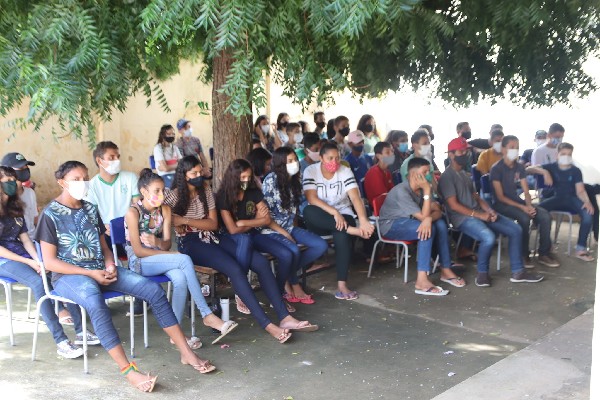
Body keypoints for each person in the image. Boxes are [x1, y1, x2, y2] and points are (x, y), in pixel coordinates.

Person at [35, 161, 216, 392]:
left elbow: (104, 247)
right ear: (62, 182)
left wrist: (110, 264)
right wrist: (90, 273)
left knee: (153, 290)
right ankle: (129, 370)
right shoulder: (50, 214)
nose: (83, 183)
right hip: (69, 277)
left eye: (85, 178)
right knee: (95, 302)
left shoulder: (90, 208)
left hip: (101, 269)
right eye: (76, 179)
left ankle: (186, 353)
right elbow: (50, 262)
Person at [166, 156, 311, 342]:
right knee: (234, 269)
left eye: (200, 172)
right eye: (194, 173)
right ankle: (268, 325)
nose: (199, 176)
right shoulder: (174, 196)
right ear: (183, 175)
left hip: (213, 236)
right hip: (191, 243)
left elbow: (212, 224)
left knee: (260, 262)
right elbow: (159, 210)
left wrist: (184, 220)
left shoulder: (205, 189)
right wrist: (174, 221)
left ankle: (285, 317)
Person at [125, 168, 237, 347]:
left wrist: (157, 241)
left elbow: (166, 244)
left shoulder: (165, 210)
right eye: (156, 191)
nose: (161, 195)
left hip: (160, 258)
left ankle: (175, 335)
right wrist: (170, 254)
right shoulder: (133, 213)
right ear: (143, 192)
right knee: (183, 260)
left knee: (180, 277)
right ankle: (207, 315)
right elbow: (138, 251)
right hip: (140, 262)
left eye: (163, 190)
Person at [0, 166, 97, 358]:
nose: (14, 184)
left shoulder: (15, 206)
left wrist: (39, 260)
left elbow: (26, 239)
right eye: (8, 181)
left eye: (14, 180)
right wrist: (29, 262)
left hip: (21, 252)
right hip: (4, 259)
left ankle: (80, 331)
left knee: (59, 271)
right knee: (39, 283)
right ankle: (61, 341)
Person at [438, 137, 544, 287]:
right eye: (461, 152)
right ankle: (482, 274)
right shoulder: (447, 177)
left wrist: (489, 210)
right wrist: (480, 215)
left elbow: (476, 197)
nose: (465, 154)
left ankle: (518, 272)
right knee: (488, 237)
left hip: (479, 213)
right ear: (451, 154)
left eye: (466, 151)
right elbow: (453, 206)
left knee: (516, 230)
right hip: (462, 218)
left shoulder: (464, 174)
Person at [379, 158, 466, 295]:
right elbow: (424, 217)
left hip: (412, 221)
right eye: (425, 172)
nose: (429, 175)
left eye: (429, 171)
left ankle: (446, 269)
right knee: (428, 229)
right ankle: (421, 280)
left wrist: (428, 218)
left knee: (440, 224)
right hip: (391, 225)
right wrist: (427, 212)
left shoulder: (423, 189)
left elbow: (438, 211)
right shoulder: (402, 191)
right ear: (414, 175)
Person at [302, 142, 374, 300]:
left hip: (344, 215)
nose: (334, 162)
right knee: (308, 211)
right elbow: (311, 198)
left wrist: (363, 220)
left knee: (341, 234)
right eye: (330, 158)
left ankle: (342, 285)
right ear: (321, 158)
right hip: (321, 218)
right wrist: (334, 212)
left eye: (337, 158)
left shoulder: (345, 170)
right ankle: (352, 230)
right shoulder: (311, 171)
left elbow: (355, 197)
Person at [261, 147, 328, 303]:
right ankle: (288, 286)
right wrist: (285, 234)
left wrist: (293, 231)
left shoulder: (296, 179)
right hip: (271, 230)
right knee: (294, 251)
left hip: (289, 227)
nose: (295, 164)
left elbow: (294, 210)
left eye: (295, 160)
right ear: (280, 164)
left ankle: (287, 274)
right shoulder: (270, 180)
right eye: (289, 161)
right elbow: (266, 216)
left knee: (320, 245)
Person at [490, 136, 559, 268]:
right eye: (511, 147)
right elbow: (500, 197)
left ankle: (544, 253)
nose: (515, 150)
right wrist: (523, 208)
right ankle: (523, 255)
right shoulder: (496, 169)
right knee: (524, 218)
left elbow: (526, 191)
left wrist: (528, 205)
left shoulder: (519, 167)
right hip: (501, 205)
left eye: (517, 147)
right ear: (503, 149)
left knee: (545, 216)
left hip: (518, 202)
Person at [527, 143, 595, 262]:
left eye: (569, 154)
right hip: (556, 198)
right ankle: (547, 245)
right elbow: (528, 169)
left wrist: (587, 201)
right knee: (536, 211)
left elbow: (580, 190)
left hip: (572, 199)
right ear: (557, 155)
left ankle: (580, 249)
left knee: (588, 214)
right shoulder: (551, 166)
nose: (566, 157)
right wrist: (544, 172)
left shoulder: (575, 170)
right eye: (563, 154)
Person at [1, 153, 38, 240]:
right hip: (13, 242)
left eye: (26, 167)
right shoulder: (5, 198)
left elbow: (35, 218)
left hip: (32, 239)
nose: (25, 170)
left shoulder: (30, 192)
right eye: (20, 168)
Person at [364, 142, 395, 206]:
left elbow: (392, 191)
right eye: (387, 152)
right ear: (378, 156)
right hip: (380, 207)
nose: (392, 154)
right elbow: (382, 197)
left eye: (392, 151)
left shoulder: (387, 171)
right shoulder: (374, 173)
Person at [344, 130, 373, 198]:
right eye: (358, 142)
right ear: (350, 144)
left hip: (370, 191)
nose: (361, 144)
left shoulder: (368, 157)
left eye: (362, 141)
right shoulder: (347, 162)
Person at [153, 124, 182, 188]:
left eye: (173, 134)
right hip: (165, 176)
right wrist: (177, 164)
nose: (171, 136)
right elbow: (165, 169)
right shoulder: (158, 148)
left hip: (177, 174)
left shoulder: (175, 147)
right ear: (163, 135)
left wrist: (167, 167)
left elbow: (182, 163)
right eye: (168, 134)